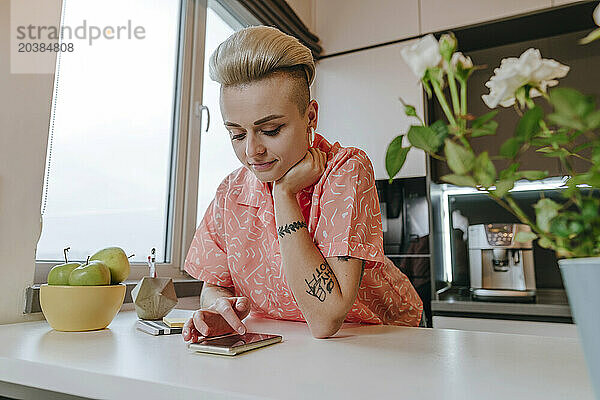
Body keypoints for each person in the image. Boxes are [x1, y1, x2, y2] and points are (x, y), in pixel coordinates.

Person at [182, 26, 423, 341]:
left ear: (311, 117)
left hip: (387, 338)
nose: (252, 151)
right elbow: (214, 284)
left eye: (270, 129)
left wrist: (284, 195)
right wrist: (219, 307)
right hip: (294, 343)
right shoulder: (231, 192)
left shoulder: (346, 170)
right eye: (237, 134)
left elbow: (325, 319)